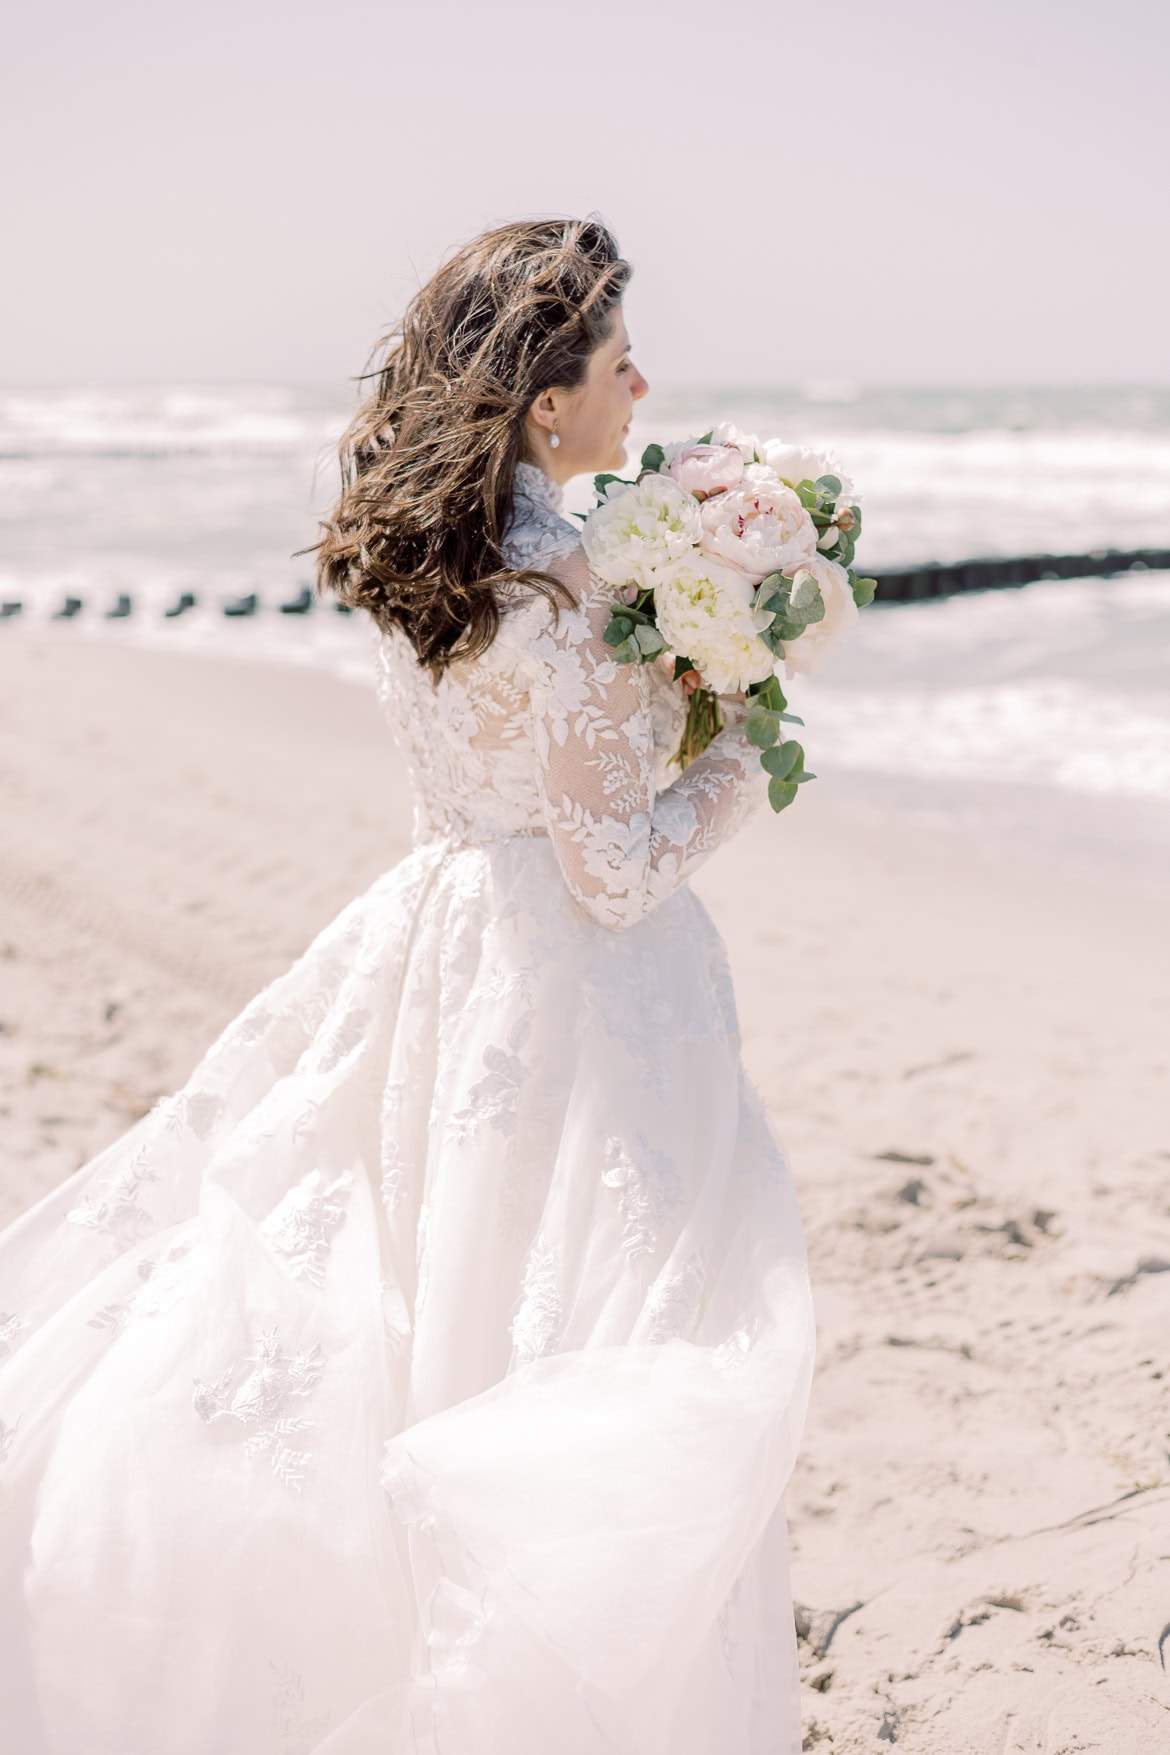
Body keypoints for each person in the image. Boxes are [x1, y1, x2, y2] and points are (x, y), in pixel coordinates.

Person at [0, 217, 815, 1754]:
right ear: (543, 399)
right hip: (575, 992)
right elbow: (614, 871)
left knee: (434, 1297)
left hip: (444, 941)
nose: (642, 380)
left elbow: (507, 787)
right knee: (598, 1327)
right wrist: (754, 755)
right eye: (613, 355)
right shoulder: (561, 582)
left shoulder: (439, 557)